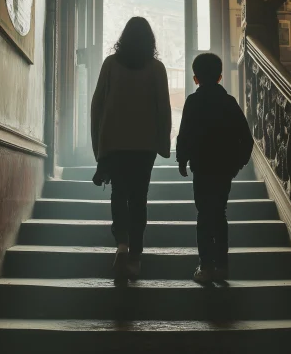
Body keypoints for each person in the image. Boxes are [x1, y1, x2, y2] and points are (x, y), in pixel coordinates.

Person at [91, 17, 172, 281]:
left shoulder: (111, 64)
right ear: (150, 41)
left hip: (115, 143)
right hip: (144, 144)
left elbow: (96, 107)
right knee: (139, 198)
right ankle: (135, 256)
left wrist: (98, 148)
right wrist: (164, 143)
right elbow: (164, 109)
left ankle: (122, 244)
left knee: (119, 193)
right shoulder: (157, 68)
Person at [176, 53, 253, 283]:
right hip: (223, 169)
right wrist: (237, 163)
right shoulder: (228, 102)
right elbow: (246, 138)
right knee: (219, 214)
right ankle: (222, 266)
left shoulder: (192, 101)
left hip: (201, 167)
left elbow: (185, 134)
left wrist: (182, 159)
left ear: (195, 78)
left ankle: (206, 266)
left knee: (204, 215)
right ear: (220, 76)